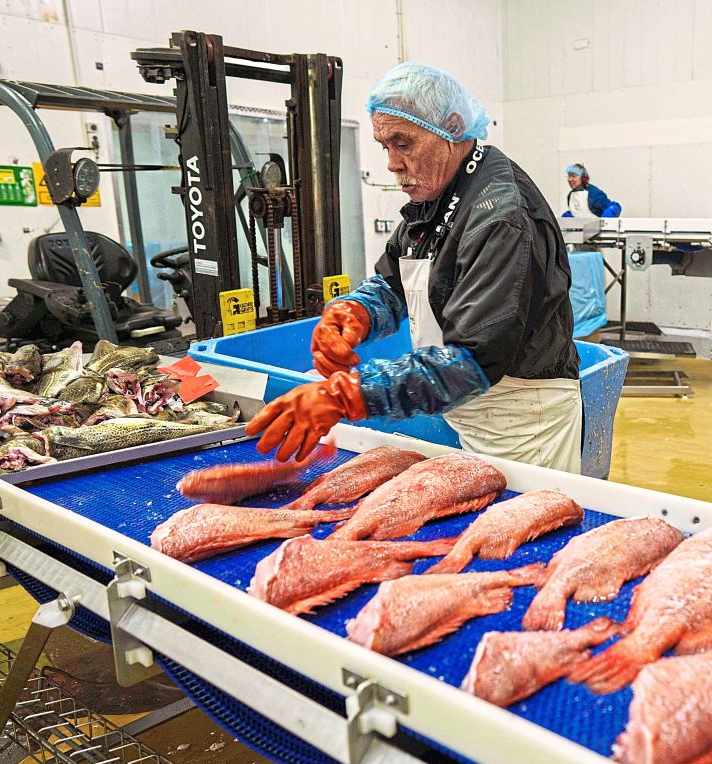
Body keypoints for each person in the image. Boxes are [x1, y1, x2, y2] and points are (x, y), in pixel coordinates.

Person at [245, 62, 583, 472]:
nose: (391, 162)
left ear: (453, 128)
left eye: (403, 144)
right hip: (473, 410)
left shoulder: (500, 215)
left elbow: (476, 357)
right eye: (384, 146)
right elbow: (396, 281)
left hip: (525, 426)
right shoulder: (437, 191)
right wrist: (358, 311)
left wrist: (348, 395)